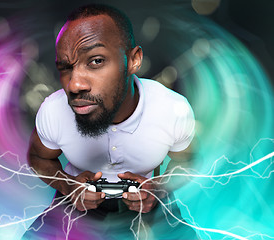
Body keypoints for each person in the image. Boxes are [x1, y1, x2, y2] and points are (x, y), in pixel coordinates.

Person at [22, 4, 198, 240]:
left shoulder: (172, 108)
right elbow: (39, 156)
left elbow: (185, 159)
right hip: (77, 200)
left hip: (150, 201)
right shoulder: (54, 110)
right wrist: (68, 186)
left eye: (95, 61)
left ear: (134, 60)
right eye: (65, 67)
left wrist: (159, 188)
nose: (74, 85)